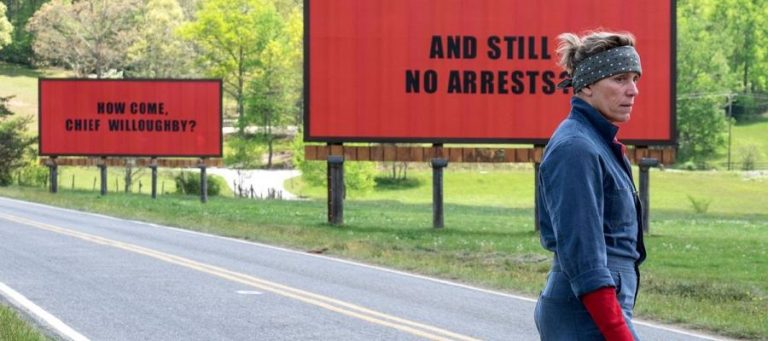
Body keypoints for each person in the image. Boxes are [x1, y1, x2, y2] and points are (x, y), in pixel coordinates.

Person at [534, 30, 646, 341]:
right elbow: (583, 255)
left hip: (594, 309)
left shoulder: (596, 143)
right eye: (620, 79)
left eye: (635, 78)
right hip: (585, 313)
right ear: (586, 85)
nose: (633, 90)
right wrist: (617, 331)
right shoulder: (576, 148)